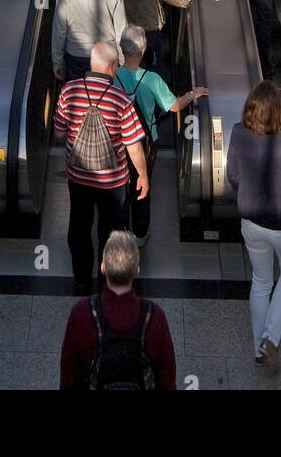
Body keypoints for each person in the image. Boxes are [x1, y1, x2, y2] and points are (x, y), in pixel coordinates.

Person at [227, 80, 281, 373]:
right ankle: (270, 338)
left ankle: (258, 349)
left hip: (250, 220)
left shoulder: (238, 133)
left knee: (261, 281)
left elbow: (233, 176)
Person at [54, 40, 148, 292]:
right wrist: (142, 175)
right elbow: (134, 146)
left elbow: (59, 132)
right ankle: (109, 282)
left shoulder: (69, 91)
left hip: (78, 177)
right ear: (110, 67)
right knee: (111, 232)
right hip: (113, 182)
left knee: (79, 227)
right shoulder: (121, 99)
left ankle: (82, 280)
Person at [115, 27, 206, 241]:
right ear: (144, 49)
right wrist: (192, 94)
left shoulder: (114, 75)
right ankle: (140, 233)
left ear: (121, 47)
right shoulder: (152, 79)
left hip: (117, 141)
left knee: (118, 184)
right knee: (142, 183)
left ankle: (118, 228)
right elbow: (174, 106)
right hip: (146, 141)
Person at [59, 230, 176, 389]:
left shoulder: (81, 314)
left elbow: (68, 379)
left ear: (102, 268)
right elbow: (167, 381)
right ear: (137, 270)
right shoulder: (155, 317)